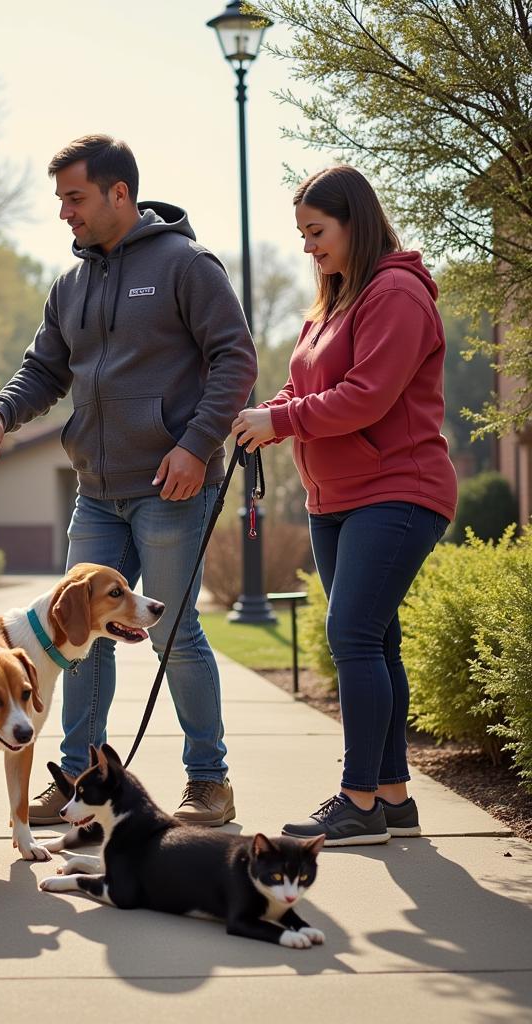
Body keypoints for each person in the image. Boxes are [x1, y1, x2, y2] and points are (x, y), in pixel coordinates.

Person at [0, 134, 257, 827]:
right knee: (74, 633)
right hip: (96, 491)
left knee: (173, 635)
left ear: (118, 193)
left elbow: (234, 359)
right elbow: (44, 369)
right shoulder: (71, 283)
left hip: (171, 487)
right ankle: (78, 780)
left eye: (75, 197)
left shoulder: (185, 265)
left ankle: (208, 782)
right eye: (61, 198)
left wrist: (194, 447)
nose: (65, 212)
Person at [232, 165, 457, 847]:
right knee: (375, 640)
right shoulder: (335, 299)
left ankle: (357, 801)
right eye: (301, 233)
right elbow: (308, 388)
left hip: (399, 488)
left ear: (354, 221)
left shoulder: (396, 294)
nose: (307, 247)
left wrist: (283, 422)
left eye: (316, 231)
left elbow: (366, 396)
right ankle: (392, 798)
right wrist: (260, 415)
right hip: (336, 497)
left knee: (352, 635)